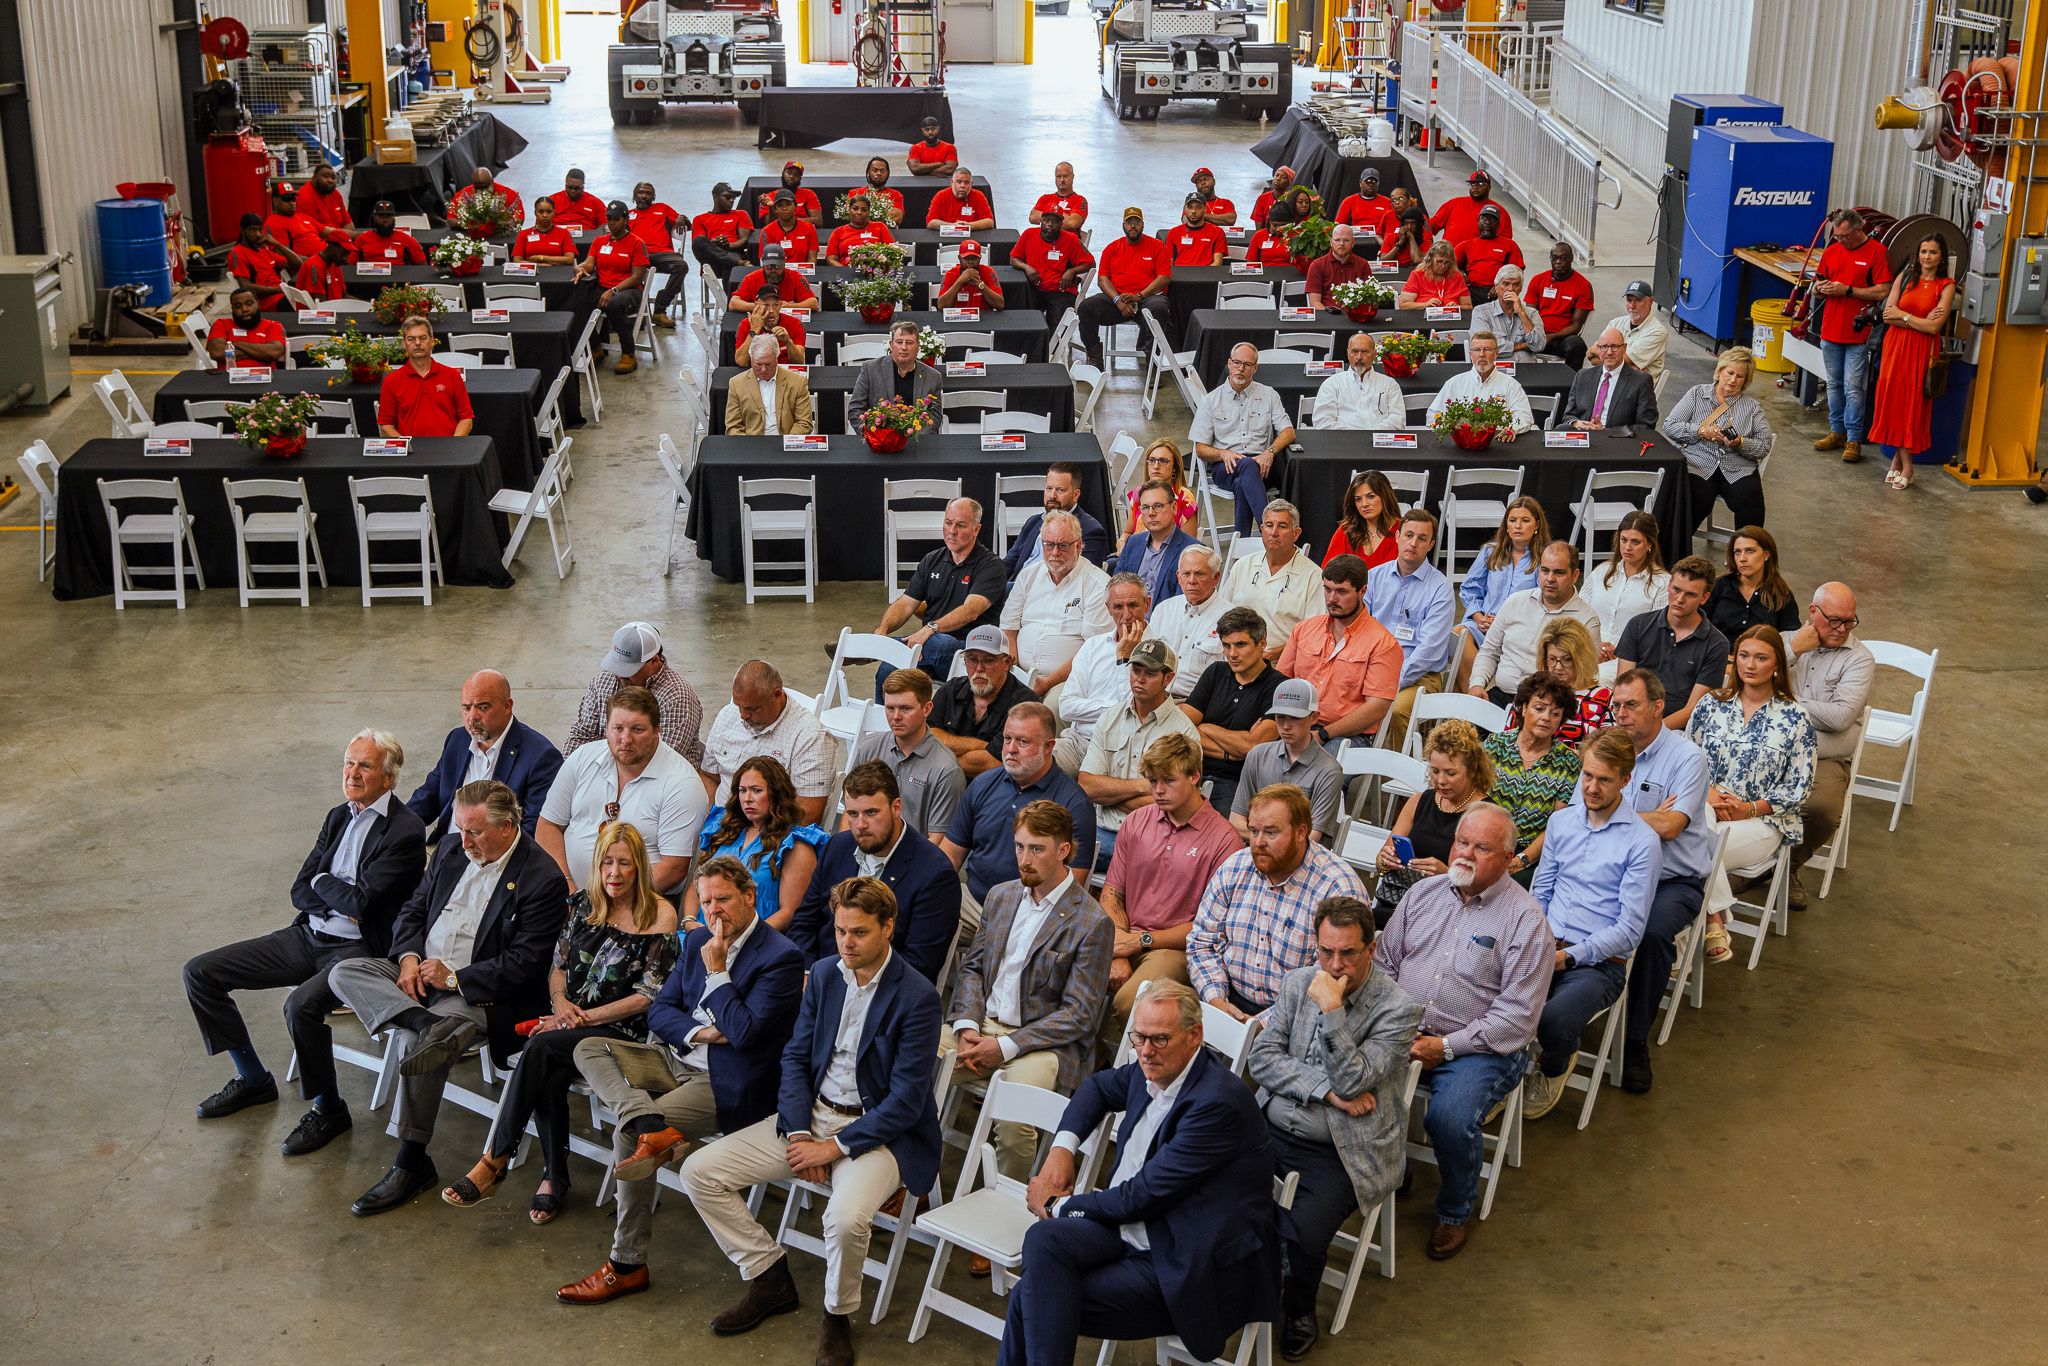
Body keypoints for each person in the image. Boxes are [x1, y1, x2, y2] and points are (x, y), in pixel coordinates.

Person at [680, 877, 942, 1366]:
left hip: (878, 1134)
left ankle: (836, 1317)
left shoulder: (917, 996)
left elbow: (906, 1102)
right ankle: (768, 1276)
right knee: (699, 1171)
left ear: (888, 927)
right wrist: (800, 1132)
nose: (847, 943)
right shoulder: (823, 974)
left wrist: (833, 1148)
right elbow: (797, 1058)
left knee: (844, 1219)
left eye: (859, 932)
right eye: (840, 931)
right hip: (812, 1116)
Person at [557, 853, 806, 1305]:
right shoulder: (696, 942)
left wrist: (718, 972)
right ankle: (649, 1123)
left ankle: (627, 1264)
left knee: (627, 1136)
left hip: (724, 1081)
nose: (713, 911)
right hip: (673, 1057)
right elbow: (661, 1011)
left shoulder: (781, 958)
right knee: (588, 1047)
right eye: (706, 902)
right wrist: (700, 1032)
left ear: (750, 896)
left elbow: (745, 1034)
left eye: (723, 899)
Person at [1000, 982, 1280, 1366]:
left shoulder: (1217, 1105)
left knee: (1029, 1296)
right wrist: (1061, 1151)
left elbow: (1140, 1196)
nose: (1145, 1051)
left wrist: (1057, 1204)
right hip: (1129, 1231)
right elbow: (1097, 1088)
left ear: (1195, 1036)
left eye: (1160, 1039)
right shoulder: (1152, 1069)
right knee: (1042, 1244)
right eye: (1139, 1037)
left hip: (1181, 1264)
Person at [327, 779, 568, 1216]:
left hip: (479, 995)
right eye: (460, 828)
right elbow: (414, 910)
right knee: (345, 972)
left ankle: (410, 1161)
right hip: (420, 976)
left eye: (475, 831)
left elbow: (524, 966)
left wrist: (455, 978)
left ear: (508, 827)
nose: (464, 840)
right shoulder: (452, 851)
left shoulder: (541, 878)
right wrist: (408, 959)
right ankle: (422, 1022)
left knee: (423, 1041)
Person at [183, 732, 426, 1149]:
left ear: (389, 779)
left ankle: (330, 1109)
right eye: (349, 763)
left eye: (365, 766)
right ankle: (253, 1078)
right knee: (200, 973)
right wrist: (332, 892)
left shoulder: (405, 830)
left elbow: (362, 903)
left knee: (300, 1006)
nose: (352, 774)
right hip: (309, 935)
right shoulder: (337, 816)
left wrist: (323, 882)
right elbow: (300, 888)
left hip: (357, 952)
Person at [443, 820, 678, 1220]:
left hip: (620, 1033)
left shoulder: (660, 915)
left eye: (624, 863)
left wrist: (578, 1020)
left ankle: (496, 1158)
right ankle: (553, 1178)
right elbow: (557, 968)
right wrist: (560, 1005)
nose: (614, 873)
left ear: (639, 866)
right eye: (606, 863)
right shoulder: (585, 904)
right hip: (568, 1022)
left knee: (540, 1048)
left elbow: (645, 998)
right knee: (547, 1064)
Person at [1247, 896, 1423, 1360]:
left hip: (1342, 1151)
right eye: (1326, 951)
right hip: (1270, 1130)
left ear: (1371, 949)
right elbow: (1261, 1058)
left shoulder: (1399, 1009)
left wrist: (1332, 1012)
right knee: (1210, 1194)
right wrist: (1326, 1092)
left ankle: (1299, 1309)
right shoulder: (1297, 982)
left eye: (1347, 953)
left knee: (1303, 1236)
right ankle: (1238, 1284)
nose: (1334, 965)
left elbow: (1354, 1080)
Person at [1374, 803, 1552, 1259]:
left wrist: (1444, 1047)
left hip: (1481, 1049)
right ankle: (1395, 1170)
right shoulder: (1423, 893)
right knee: (1355, 1083)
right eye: (1461, 842)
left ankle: (1454, 1210)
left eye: (1481, 848)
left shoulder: (1526, 920)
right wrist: (1394, 1026)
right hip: (1404, 1030)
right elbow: (1385, 964)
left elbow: (1516, 1019)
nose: (1465, 854)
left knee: (1449, 1119)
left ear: (1508, 859)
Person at [951, 800, 1115, 1178]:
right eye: (1020, 847)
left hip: (1045, 1045)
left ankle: (1009, 1198)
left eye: (1037, 849)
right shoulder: (1002, 895)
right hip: (982, 1027)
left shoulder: (1092, 922)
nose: (1024, 859)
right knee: (909, 1071)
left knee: (1014, 1123)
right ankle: (910, 1182)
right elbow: (973, 968)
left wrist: (1005, 1046)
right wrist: (967, 1026)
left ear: (1063, 850)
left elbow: (1079, 1015)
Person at [1521, 730, 1659, 1120]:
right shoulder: (1561, 822)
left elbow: (1630, 930)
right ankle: (1500, 1078)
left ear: (1625, 779)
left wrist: (1568, 958)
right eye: (1587, 776)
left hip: (1600, 964)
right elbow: (1540, 892)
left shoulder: (1642, 842)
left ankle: (1554, 1065)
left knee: (1553, 1020)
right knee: (1484, 993)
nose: (1592, 788)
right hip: (1547, 943)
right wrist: (1537, 941)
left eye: (1604, 780)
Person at [1603, 668, 1715, 1092]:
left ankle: (1634, 1042)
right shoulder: (1606, 751)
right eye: (1616, 706)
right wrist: (1641, 816)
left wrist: (1609, 813)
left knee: (1649, 935)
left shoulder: (1687, 758)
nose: (1621, 714)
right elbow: (1577, 816)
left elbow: (1670, 826)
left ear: (1657, 707)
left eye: (1631, 705)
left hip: (1672, 881)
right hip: (1610, 873)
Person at [1686, 626, 1817, 964]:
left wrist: (1749, 808)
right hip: (1706, 807)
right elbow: (1686, 760)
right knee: (1694, 842)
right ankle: (1714, 921)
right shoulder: (1711, 705)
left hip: (1765, 820)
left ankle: (1680, 953)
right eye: (1744, 655)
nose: (1750, 664)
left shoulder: (1795, 717)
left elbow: (1799, 787)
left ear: (1777, 665)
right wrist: (1709, 793)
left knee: (1685, 851)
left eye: (1761, 658)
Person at [1099, 734, 1245, 1035]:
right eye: (1152, 781)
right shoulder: (1136, 821)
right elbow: (1112, 893)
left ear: (1195, 776)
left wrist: (1139, 942)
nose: (1158, 790)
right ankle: (1091, 1055)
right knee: (1059, 973)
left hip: (1176, 948)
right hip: (1124, 933)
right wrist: (1121, 949)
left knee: (1132, 1002)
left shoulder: (1225, 840)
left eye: (1168, 780)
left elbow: (1209, 928)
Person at [1190, 785, 1367, 1019]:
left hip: (1299, 1016)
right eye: (1254, 831)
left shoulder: (1338, 888)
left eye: (1271, 833)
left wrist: (1261, 1025)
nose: (1258, 842)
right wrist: (1217, 1002)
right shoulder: (1235, 866)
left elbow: (1330, 977)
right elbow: (1203, 942)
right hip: (1226, 999)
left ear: (1301, 832)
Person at [786, 762, 962, 980]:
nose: (860, 825)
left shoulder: (935, 874)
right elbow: (804, 921)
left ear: (896, 807)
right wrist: (806, 973)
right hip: (817, 976)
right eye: (852, 813)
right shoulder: (838, 847)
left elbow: (920, 964)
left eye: (871, 812)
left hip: (881, 989)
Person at [538, 687, 707, 896]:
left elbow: (674, 867)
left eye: (637, 729)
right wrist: (567, 888)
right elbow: (548, 825)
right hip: (566, 894)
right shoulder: (583, 757)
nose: (626, 739)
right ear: (606, 728)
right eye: (618, 728)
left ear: (656, 730)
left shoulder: (682, 783)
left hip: (641, 902)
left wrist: (610, 903)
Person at [942, 704, 1099, 908]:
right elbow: (950, 855)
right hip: (971, 903)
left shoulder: (1074, 805)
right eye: (1007, 739)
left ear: (1048, 747)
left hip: (1032, 912)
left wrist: (1014, 919)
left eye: (1023, 741)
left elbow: (1071, 889)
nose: (1011, 749)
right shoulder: (983, 784)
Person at [1785, 583, 1873, 907]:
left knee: (1822, 809)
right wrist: (1792, 652)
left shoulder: (1859, 659)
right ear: (1813, 612)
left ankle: (1786, 868)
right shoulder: (1784, 641)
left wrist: (1784, 700)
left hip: (1825, 757)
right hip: (1774, 751)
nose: (1842, 628)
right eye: (1835, 620)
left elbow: (1839, 718)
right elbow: (1747, 686)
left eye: (1849, 621)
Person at [1080, 639, 1203, 861]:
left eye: (1150, 673)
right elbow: (1087, 786)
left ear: (1168, 678)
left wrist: (1110, 796)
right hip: (1100, 831)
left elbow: (1176, 802)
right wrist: (1143, 786)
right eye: (1136, 670)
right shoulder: (1109, 718)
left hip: (1154, 838)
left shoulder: (1184, 732)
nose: (1140, 679)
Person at [873, 497, 1008, 696]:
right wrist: (883, 629)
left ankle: (878, 649)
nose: (952, 530)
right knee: (889, 670)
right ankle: (882, 716)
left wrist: (930, 629)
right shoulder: (932, 560)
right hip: (927, 649)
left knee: (938, 642)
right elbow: (906, 603)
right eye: (948, 523)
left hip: (971, 650)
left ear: (976, 529)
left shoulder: (991, 566)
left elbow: (970, 611)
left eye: (961, 525)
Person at [407, 669, 563, 840]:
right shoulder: (457, 739)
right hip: (446, 847)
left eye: (483, 707)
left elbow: (533, 830)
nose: (472, 717)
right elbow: (430, 794)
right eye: (467, 708)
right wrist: (396, 828)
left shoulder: (541, 756)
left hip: (497, 854)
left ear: (507, 707)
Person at [683, 756, 829, 931]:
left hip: (758, 939)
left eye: (756, 790)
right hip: (703, 932)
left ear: (777, 794)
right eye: (742, 790)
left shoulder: (795, 845)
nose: (747, 798)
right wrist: (689, 921)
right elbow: (696, 885)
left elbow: (790, 912)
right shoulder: (722, 830)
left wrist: (741, 940)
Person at [1373, 719, 1495, 920]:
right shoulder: (1419, 801)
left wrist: (1447, 875)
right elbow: (1380, 862)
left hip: (1447, 913)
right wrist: (1387, 860)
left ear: (1472, 770)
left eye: (1450, 773)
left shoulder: (1487, 815)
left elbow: (1488, 887)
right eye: (1435, 771)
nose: (1441, 780)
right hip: (1399, 901)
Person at [1278, 554, 1404, 750]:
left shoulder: (1383, 643)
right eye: (1327, 589)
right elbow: (1280, 682)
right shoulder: (1303, 629)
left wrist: (1324, 734)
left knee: (1321, 761)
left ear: (1363, 591)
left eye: (1341, 591)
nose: (1332, 599)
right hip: (1296, 723)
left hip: (1349, 735)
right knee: (1258, 753)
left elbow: (1376, 708)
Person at [1468, 540, 1602, 707]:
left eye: (1559, 573)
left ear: (1575, 575)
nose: (1550, 578)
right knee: (1458, 722)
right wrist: (1477, 684)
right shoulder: (1515, 601)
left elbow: (1585, 678)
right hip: (1500, 696)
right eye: (1545, 570)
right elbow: (1489, 651)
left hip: (1548, 705)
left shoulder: (1587, 620)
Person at [1869, 233, 1955, 487]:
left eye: (1933, 252)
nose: (1927, 257)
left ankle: (1906, 467)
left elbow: (1934, 327)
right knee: (1893, 402)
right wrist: (1918, 320)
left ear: (1941, 257)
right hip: (1895, 347)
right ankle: (1899, 463)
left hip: (1922, 351)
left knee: (1911, 406)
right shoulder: (1905, 277)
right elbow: (1888, 315)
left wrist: (1904, 316)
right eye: (1923, 251)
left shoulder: (1946, 286)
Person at [1366, 508, 1456, 752]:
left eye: (1422, 538)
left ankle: (1398, 770)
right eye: (1408, 535)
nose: (1413, 543)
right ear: (1397, 537)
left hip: (1419, 676)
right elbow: (1360, 629)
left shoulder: (1440, 589)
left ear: (1431, 545)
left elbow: (1428, 651)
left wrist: (1393, 682)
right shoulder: (1374, 577)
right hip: (1373, 668)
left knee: (1396, 710)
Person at [1664, 347, 1775, 545]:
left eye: (1740, 376)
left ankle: (1747, 552)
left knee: (1751, 504)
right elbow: (1670, 425)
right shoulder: (1697, 394)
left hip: (1737, 467)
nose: (1733, 380)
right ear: (1719, 371)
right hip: (1698, 463)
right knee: (1694, 502)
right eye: (1729, 373)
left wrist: (1740, 442)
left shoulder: (1751, 408)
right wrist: (1700, 431)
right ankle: (1675, 551)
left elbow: (1764, 445)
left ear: (1746, 380)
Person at [1178, 608, 1282, 814]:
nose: (1232, 654)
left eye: (1240, 645)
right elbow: (1181, 727)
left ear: (1262, 643)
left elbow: (1252, 747)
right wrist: (1230, 752)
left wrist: (1205, 727)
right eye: (1226, 645)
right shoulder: (1216, 671)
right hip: (1191, 770)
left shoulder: (1279, 686)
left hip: (1238, 781)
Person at [1812, 208, 1894, 464]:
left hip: (1859, 334)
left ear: (1860, 230)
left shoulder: (1877, 252)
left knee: (1854, 387)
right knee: (1834, 384)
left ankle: (1854, 438)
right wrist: (1819, 288)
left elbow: (1883, 291)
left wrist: (1847, 290)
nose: (1840, 240)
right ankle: (1836, 431)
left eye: (1845, 236)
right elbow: (1817, 283)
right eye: (1837, 236)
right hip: (1830, 330)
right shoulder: (1832, 251)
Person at [701, 661, 830, 823]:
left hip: (770, 831)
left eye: (752, 709)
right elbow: (709, 776)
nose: (742, 715)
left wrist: (754, 832)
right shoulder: (728, 715)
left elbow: (809, 812)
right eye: (739, 706)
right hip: (719, 823)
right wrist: (708, 820)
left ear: (777, 695)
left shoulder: (811, 737)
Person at [565, 620, 706, 765]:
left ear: (655, 662)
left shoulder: (678, 698)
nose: (619, 675)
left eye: (628, 669)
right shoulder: (604, 680)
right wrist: (569, 770)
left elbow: (661, 762)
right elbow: (581, 735)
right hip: (602, 768)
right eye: (617, 665)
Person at [1191, 343, 1295, 538]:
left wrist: (1269, 452)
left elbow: (1288, 432)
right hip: (1225, 467)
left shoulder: (1269, 395)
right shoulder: (1211, 400)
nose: (1241, 369)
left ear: (1255, 368)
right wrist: (1223, 453)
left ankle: (1241, 543)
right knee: (1247, 466)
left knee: (1243, 481)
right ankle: (1269, 528)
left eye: (1247, 365)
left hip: (1262, 467)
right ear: (1229, 364)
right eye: (1237, 363)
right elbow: (1200, 449)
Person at [1002, 510, 1112, 693]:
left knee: (1051, 706)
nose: (1055, 552)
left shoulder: (1098, 585)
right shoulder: (1029, 575)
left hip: (1068, 679)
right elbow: (1008, 628)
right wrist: (1011, 670)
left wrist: (1047, 682)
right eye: (1049, 545)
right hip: (1019, 673)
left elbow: (1093, 650)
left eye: (1063, 546)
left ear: (1078, 546)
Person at [1615, 556, 1729, 732]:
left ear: (1705, 597)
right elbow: (1623, 687)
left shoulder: (1717, 644)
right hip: (1632, 719)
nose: (1680, 599)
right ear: (1669, 586)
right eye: (1676, 589)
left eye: (1690, 594)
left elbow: (1694, 709)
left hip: (1679, 730)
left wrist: (1653, 732)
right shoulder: (1638, 625)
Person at [854, 668, 968, 839]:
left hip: (915, 855)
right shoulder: (868, 749)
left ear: (927, 709)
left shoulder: (946, 770)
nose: (896, 717)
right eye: (890, 708)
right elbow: (851, 813)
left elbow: (937, 842)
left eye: (905, 709)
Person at [1484, 673, 1581, 873]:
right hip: (1484, 838)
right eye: (1539, 708)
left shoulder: (1567, 762)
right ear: (1523, 707)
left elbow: (1557, 824)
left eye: (1555, 713)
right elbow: (1472, 797)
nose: (1546, 717)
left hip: (1530, 854)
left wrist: (1521, 860)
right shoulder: (1495, 745)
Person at [1231, 680, 1346, 845]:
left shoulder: (1329, 770)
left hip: (1301, 857)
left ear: (1314, 718)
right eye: (1280, 717)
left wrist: (1262, 838)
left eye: (1295, 718)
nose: (1286, 726)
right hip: (1257, 849)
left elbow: (1313, 837)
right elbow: (1236, 820)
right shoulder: (1257, 755)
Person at [1056, 572, 1148, 774]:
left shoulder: (1160, 650)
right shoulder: (1092, 646)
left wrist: (1124, 659)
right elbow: (1066, 707)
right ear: (1108, 609)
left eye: (1133, 605)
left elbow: (1135, 716)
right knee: (1030, 763)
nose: (1126, 615)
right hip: (1079, 742)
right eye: (1118, 607)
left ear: (1147, 604)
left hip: (1126, 750)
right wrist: (1114, 710)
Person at [1452, 496, 1546, 690]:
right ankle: (1475, 692)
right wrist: (1478, 616)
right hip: (1484, 623)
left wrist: (1503, 622)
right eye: (1512, 520)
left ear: (1536, 525)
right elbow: (1470, 588)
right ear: (1506, 525)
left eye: (1525, 520)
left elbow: (1542, 602)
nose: (1518, 526)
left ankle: (1474, 696)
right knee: (1458, 633)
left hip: (1518, 628)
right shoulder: (1490, 552)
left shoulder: (1543, 558)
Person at [930, 626, 1039, 781]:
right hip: (941, 781)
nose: (979, 669)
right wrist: (982, 746)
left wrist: (939, 759)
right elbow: (928, 737)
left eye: (988, 660)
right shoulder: (950, 690)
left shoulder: (1026, 704)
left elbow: (992, 763)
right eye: (972, 660)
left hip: (995, 787)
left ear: (1007, 662)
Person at [1222, 500, 1322, 655]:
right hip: (1234, 656)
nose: (1274, 532)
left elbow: (1314, 633)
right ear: (1262, 529)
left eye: (1282, 526)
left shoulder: (1313, 576)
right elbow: (1221, 612)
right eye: (1269, 525)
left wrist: (1275, 654)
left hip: (1280, 661)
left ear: (1296, 533)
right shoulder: (1243, 565)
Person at [1078, 206, 1172, 369]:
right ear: (1123, 225)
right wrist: (1117, 300)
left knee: (1160, 308)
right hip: (1117, 301)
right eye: (1129, 222)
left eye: (1136, 222)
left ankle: (1152, 361)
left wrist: (1140, 295)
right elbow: (1102, 279)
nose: (1133, 226)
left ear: (1143, 224)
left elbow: (1164, 278)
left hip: (1147, 299)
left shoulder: (1157, 246)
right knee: (1086, 307)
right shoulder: (1112, 248)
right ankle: (1095, 359)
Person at [1584, 510, 1669, 685]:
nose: (1627, 547)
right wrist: (1593, 647)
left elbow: (1658, 635)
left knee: (1593, 680)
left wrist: (1621, 651)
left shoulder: (1662, 583)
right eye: (1624, 540)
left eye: (1635, 542)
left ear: (1649, 544)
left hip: (1628, 659)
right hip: (1587, 649)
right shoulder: (1602, 572)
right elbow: (1579, 614)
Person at [569, 201, 651, 374]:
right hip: (604, 287)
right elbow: (589, 263)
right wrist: (580, 268)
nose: (612, 223)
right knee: (578, 301)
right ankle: (596, 347)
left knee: (615, 305)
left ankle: (629, 353)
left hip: (629, 290)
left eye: (616, 219)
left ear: (625, 220)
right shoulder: (600, 241)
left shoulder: (637, 243)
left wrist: (614, 290)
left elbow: (637, 276)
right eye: (609, 218)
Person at [1144, 544, 1233, 698]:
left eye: (1200, 574)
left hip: (1199, 702)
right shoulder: (1163, 610)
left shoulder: (1230, 618)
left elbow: (1231, 677)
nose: (1192, 581)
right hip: (1156, 696)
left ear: (1216, 578)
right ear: (1178, 577)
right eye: (1186, 574)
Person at [1004, 463, 1111, 575]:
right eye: (1049, 488)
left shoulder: (1091, 531)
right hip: (1017, 583)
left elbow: (1085, 577)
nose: (1052, 496)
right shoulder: (1033, 522)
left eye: (1060, 490)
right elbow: (1008, 564)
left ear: (1075, 495)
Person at [376, 316, 474, 437]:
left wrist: (453, 444)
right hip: (409, 448)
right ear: (404, 343)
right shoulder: (391, 381)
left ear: (432, 341)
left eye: (423, 338)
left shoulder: (452, 376)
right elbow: (386, 425)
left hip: (449, 446)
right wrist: (405, 445)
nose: (417, 343)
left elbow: (466, 419)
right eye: (411, 339)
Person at [1425, 331, 1534, 438]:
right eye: (1477, 350)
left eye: (1487, 350)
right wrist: (1453, 428)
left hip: (1499, 442)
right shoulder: (1454, 383)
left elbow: (1524, 416)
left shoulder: (1511, 384)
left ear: (1496, 353)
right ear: (1470, 354)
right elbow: (1433, 415)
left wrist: (1512, 428)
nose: (1482, 354)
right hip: (1462, 442)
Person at [1113, 478, 1201, 606]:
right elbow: (1116, 589)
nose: (1151, 513)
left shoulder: (1192, 551)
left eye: (1158, 506)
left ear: (1174, 508)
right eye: (1145, 507)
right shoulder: (1133, 543)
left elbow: (1183, 606)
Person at [1707, 525, 1801, 641]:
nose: (1742, 558)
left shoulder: (1781, 595)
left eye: (1749, 551)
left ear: (1766, 554)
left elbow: (1792, 638)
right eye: (1737, 552)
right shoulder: (1719, 586)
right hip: (1717, 651)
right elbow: (1697, 625)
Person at [1530, 616, 1613, 744]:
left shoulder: (1605, 698)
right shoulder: (1532, 690)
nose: (1558, 667)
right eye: (1552, 659)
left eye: (1567, 659)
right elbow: (1510, 739)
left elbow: (1610, 750)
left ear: (1581, 659)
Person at [1560, 327, 1659, 431]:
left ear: (1624, 348)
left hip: (1615, 438)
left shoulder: (1641, 381)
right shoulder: (1583, 376)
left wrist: (1605, 432)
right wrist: (1576, 423)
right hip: (1581, 434)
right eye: (1604, 347)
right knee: (1560, 430)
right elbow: (1568, 416)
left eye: (1614, 346)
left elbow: (1646, 425)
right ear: (1598, 349)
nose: (1609, 352)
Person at [848, 319, 942, 426]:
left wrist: (917, 434)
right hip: (879, 435)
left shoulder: (933, 377)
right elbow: (855, 410)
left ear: (918, 347)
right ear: (891, 345)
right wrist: (873, 434)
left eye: (909, 342)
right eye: (899, 342)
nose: (904, 347)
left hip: (918, 435)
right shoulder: (870, 370)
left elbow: (935, 417)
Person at [624, 180, 689, 327]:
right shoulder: (628, 215)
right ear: (634, 196)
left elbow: (686, 225)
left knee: (681, 266)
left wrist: (682, 217)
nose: (644, 196)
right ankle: (636, 311)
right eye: (640, 192)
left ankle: (660, 309)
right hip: (639, 255)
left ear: (653, 197)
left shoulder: (662, 209)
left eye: (648, 193)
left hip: (662, 254)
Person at [724, 334, 817, 436]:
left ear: (777, 359)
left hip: (785, 441)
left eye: (768, 364)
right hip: (752, 442)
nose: (763, 369)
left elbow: (804, 423)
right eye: (758, 364)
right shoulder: (736, 384)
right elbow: (733, 426)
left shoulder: (797, 382)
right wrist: (748, 444)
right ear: (751, 360)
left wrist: (786, 442)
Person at [1011, 213, 1095, 324]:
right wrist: (1026, 267)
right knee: (1018, 317)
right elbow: (1014, 259)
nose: (1050, 224)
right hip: (1033, 288)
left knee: (1055, 329)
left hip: (1061, 291)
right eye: (1046, 220)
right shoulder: (1029, 234)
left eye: (1055, 221)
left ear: (1061, 224)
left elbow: (1091, 263)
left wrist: (1072, 271)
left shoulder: (1071, 239)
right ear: (1041, 221)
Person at [1313, 332, 1405, 432]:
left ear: (1375, 354)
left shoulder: (1389, 384)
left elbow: (1397, 421)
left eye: (1365, 351)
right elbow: (1322, 422)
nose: (1359, 357)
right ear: (1348, 353)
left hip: (1379, 440)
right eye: (1354, 351)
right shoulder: (1332, 384)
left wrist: (1373, 435)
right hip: (1343, 440)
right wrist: (1355, 437)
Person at [1118, 440, 1199, 548]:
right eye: (1152, 460)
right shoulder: (1140, 492)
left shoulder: (1185, 499)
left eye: (1163, 461)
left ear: (1174, 467)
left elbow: (1188, 547)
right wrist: (1122, 543)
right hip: (1137, 552)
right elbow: (1128, 532)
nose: (1156, 466)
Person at [1323, 469, 1403, 567]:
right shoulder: (1346, 531)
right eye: (1358, 499)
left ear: (1385, 497)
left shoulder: (1404, 532)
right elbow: (1327, 572)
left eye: (1371, 496)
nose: (1364, 504)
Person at [1534, 242, 1595, 368]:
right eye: (1554, 258)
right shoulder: (1538, 280)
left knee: (1577, 345)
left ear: (1571, 259)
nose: (1558, 262)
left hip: (1562, 338)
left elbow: (1577, 325)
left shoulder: (1583, 285)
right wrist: (1537, 335)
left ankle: (1572, 380)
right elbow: (1530, 314)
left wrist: (1552, 336)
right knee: (1509, 340)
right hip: (1538, 335)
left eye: (1563, 258)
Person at [1607, 279, 1671, 388]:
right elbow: (1592, 353)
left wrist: (1609, 361)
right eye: (1629, 300)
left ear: (1650, 301)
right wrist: (1632, 368)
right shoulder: (1615, 323)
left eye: (1638, 301)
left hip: (1636, 390)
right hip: (1611, 382)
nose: (1632, 306)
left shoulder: (1657, 332)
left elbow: (1617, 362)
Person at [1467, 264, 1544, 355]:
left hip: (1525, 364)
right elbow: (1483, 346)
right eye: (1506, 284)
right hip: (1496, 364)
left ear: (1521, 288)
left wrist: (1520, 311)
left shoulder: (1532, 313)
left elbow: (1539, 345)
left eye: (1516, 285)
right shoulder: (1481, 312)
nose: (1510, 289)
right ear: (1496, 287)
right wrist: (1523, 345)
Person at [206, 287, 287, 371]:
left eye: (249, 304)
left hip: (266, 377)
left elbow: (273, 353)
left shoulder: (273, 325)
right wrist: (261, 354)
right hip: (229, 376)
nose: (244, 309)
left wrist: (237, 344)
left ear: (257, 303)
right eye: (238, 306)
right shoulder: (222, 324)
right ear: (232, 309)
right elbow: (217, 353)